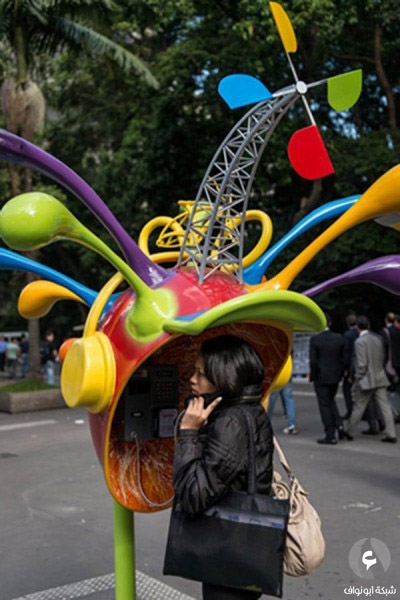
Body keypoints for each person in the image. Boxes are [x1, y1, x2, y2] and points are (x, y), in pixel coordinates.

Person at [172, 334, 273, 600]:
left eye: (201, 374)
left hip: (228, 550)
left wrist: (189, 433)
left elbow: (193, 496)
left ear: (225, 378)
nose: (192, 380)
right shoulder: (250, 408)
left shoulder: (230, 423)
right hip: (246, 544)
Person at [344, 316, 397, 443]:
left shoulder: (359, 342)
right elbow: (383, 357)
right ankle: (391, 433)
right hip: (380, 376)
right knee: (384, 406)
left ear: (358, 327)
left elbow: (362, 364)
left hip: (366, 379)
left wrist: (357, 379)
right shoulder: (377, 338)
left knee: (359, 406)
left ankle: (349, 431)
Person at [309, 314, 349, 444]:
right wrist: (342, 372)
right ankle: (340, 425)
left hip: (321, 376)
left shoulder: (315, 339)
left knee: (324, 405)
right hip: (335, 375)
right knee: (331, 401)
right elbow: (345, 358)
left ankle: (330, 434)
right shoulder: (339, 338)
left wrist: (313, 375)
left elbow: (313, 361)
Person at [342, 314, 359, 419]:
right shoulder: (360, 333)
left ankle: (350, 410)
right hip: (361, 364)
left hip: (350, 366)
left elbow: (346, 353)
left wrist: (345, 368)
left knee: (347, 390)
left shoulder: (347, 335)